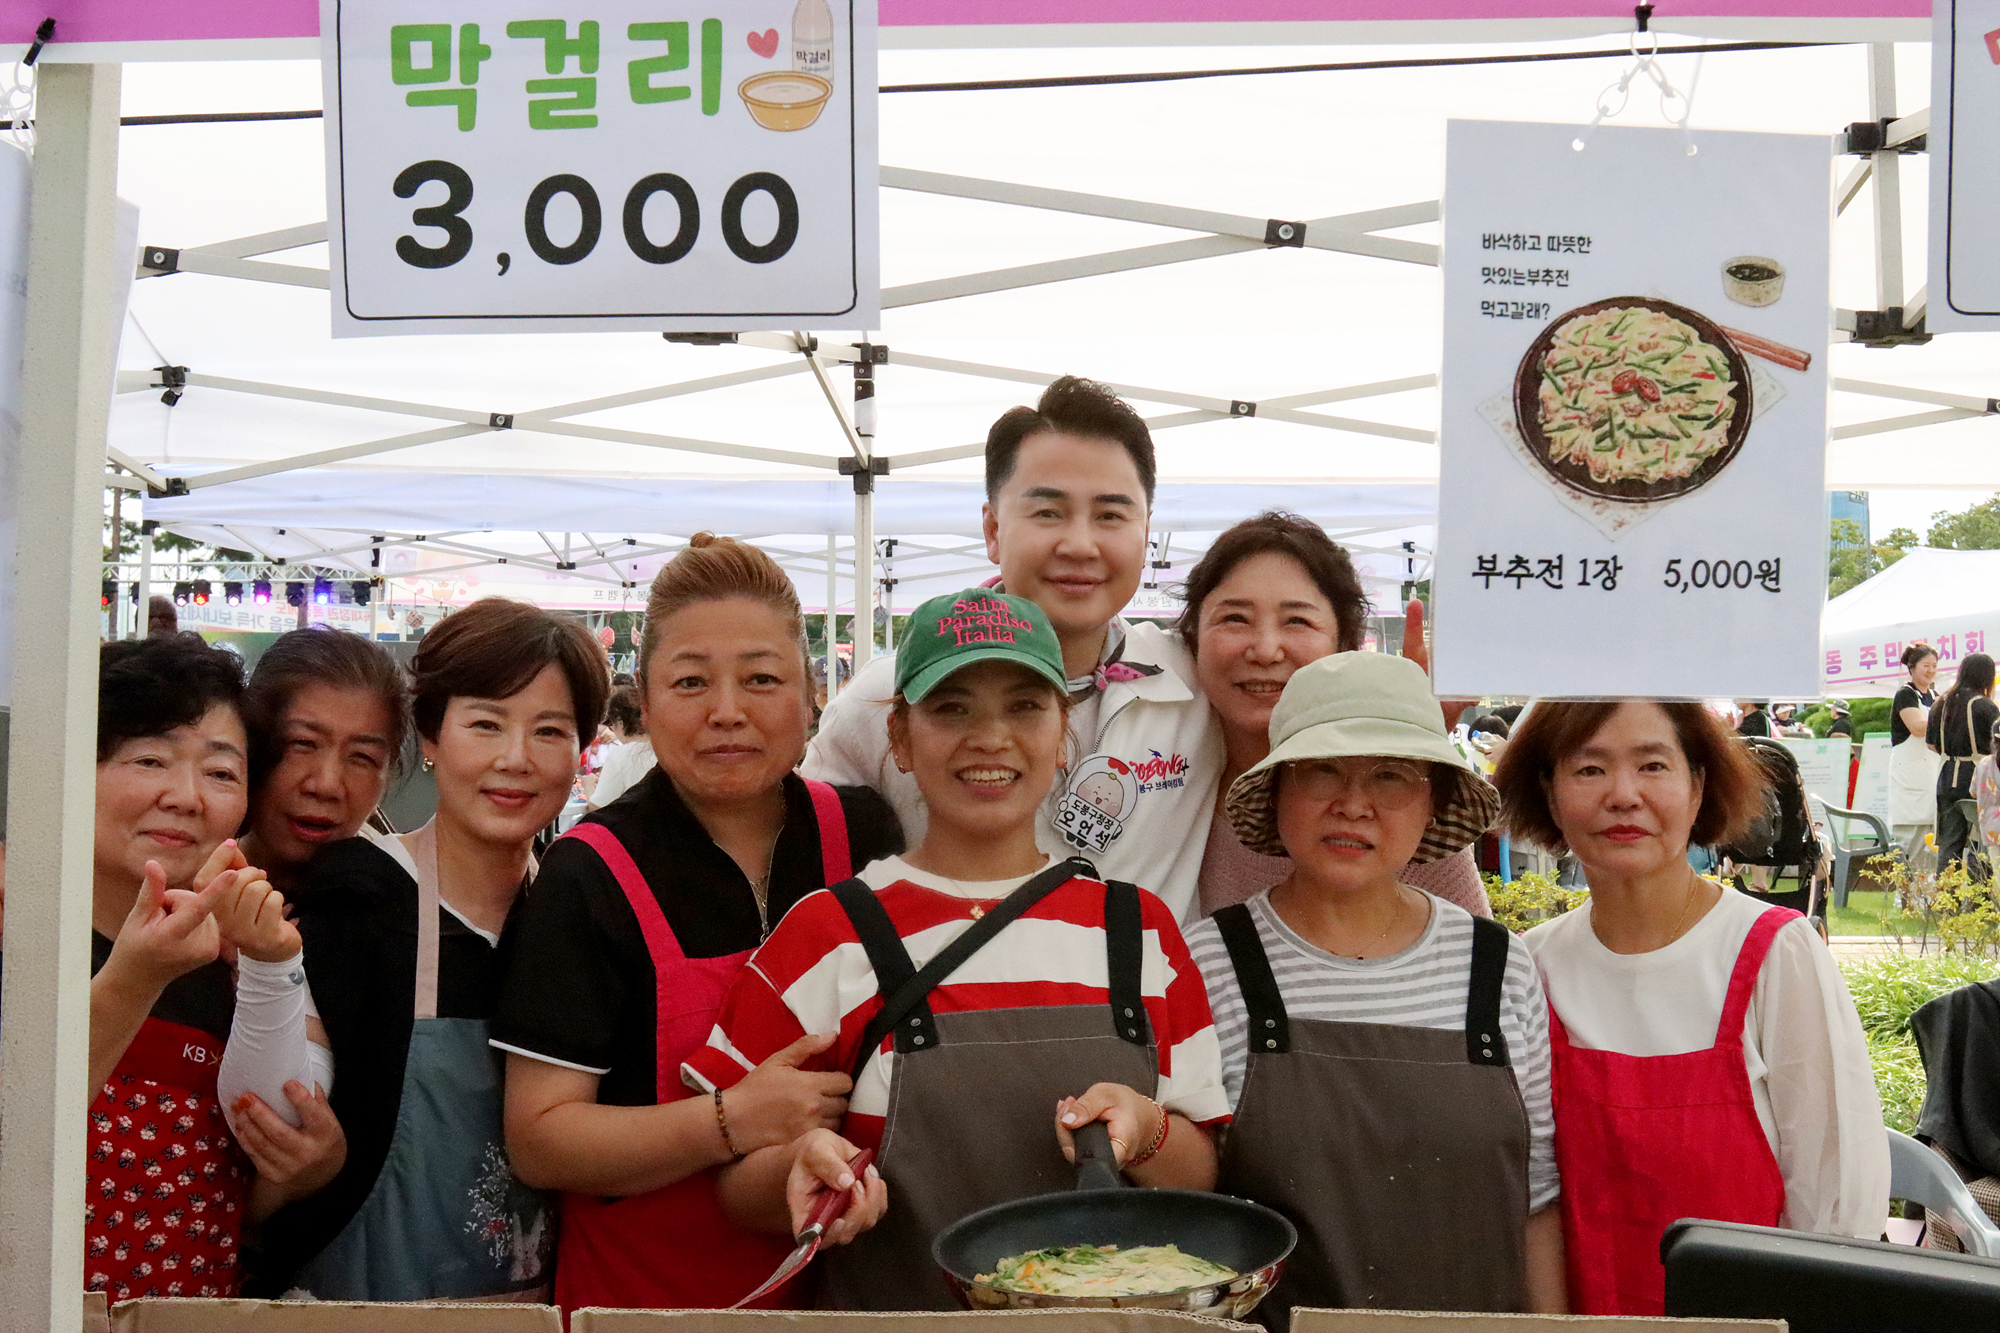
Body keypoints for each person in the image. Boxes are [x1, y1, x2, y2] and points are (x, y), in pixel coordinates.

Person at [687, 588, 1230, 1311]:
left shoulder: (1141, 931)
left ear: (1063, 732)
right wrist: (803, 1166)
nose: (991, 736)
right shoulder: (826, 933)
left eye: (1024, 706)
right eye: (952, 708)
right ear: (901, 739)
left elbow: (1199, 1173)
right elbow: (735, 1187)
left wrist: (1146, 1126)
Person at [493, 534, 903, 1313]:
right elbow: (541, 1137)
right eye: (690, 681)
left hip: (853, 1290)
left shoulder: (864, 838)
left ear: (814, 695)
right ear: (645, 703)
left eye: (761, 678)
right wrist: (730, 1119)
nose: (727, 711)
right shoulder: (592, 873)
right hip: (648, 1304)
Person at [1183, 653, 1561, 1323]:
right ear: (1276, 792)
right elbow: (1187, 1212)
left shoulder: (1497, 963)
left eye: (1390, 775)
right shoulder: (1208, 960)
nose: (1353, 804)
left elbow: (1537, 1200)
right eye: (1322, 768)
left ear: (1434, 800)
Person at [252, 598, 609, 1300]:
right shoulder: (356, 896)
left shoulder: (577, 915)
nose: (515, 759)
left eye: (550, 731)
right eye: (485, 723)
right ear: (430, 734)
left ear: (580, 752)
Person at [1493, 700, 1888, 1316]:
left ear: (1698, 785)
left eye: (1653, 765)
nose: (1624, 795)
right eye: (1589, 770)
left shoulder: (1773, 953)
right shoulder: (1529, 967)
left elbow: (1839, 1209)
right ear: (1547, 794)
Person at [805, 376, 1224, 922]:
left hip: (1147, 1002)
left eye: (1111, 515)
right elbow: (802, 847)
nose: (1079, 544)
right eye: (1048, 512)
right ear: (993, 528)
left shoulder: (1195, 684)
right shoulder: (888, 696)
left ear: (1146, 535)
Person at [56, 635, 344, 1301]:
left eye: (220, 772)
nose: (187, 797)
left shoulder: (248, 955)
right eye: (150, 758)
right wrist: (136, 976)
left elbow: (264, 1149)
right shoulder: (23, 931)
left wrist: (304, 1166)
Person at [1176, 511, 1491, 920]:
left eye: (1298, 621)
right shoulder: (1162, 770)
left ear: (1344, 644)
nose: (1266, 650)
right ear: (1193, 636)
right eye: (1235, 618)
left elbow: (1471, 966)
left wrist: (1419, 738)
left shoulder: (1386, 803)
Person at [235, 628, 409, 895]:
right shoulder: (171, 887)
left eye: (362, 757)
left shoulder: (409, 913)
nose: (327, 786)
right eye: (302, 744)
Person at [1928, 652, 1997, 871]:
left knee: (1949, 843)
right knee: (1981, 843)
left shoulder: (1940, 702)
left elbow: (1931, 744)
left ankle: (1946, 900)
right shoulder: (1985, 706)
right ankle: (1982, 901)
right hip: (1979, 778)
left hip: (1947, 776)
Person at [1890, 643, 1942, 856]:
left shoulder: (1935, 695)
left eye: (1935, 666)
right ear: (1912, 667)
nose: (1931, 670)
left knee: (1931, 842)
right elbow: (1918, 728)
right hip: (1909, 776)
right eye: (1926, 665)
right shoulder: (1905, 694)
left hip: (1931, 774)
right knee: (1910, 841)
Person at [584, 683, 654, 810]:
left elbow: (599, 808)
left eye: (612, 724)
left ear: (620, 723)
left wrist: (588, 786)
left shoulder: (621, 755)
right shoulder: (662, 749)